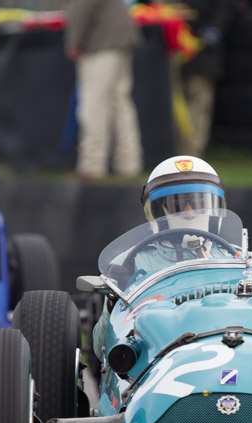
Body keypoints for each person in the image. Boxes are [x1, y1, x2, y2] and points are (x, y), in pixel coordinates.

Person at [92, 155, 228, 356]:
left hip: (224, 350)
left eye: (198, 203)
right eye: (179, 205)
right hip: (156, 357)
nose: (190, 213)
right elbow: (100, 348)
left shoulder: (237, 258)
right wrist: (113, 304)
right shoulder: (128, 264)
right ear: (158, 212)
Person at [65, 0, 144, 179]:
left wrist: (75, 40)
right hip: (118, 37)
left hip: (100, 41)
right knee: (120, 102)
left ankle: (92, 165)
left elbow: (83, 7)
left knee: (94, 104)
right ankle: (129, 164)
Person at [175, 0, 233, 156]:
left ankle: (192, 153)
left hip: (203, 58)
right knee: (177, 107)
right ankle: (177, 151)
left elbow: (223, 13)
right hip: (174, 58)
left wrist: (211, 33)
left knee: (199, 103)